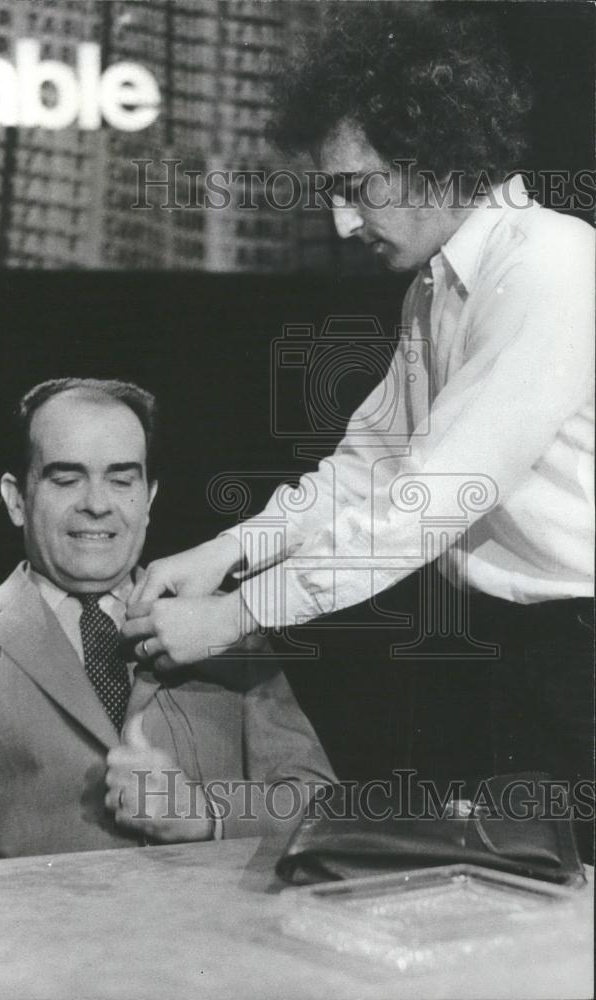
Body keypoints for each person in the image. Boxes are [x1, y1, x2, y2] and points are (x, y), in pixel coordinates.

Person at [123, 8, 594, 854]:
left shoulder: (550, 264)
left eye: (355, 186)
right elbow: (368, 466)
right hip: (519, 654)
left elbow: (427, 499)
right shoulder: (439, 283)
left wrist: (238, 615)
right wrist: (226, 551)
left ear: (431, 157)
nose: (342, 222)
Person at [0, 378, 334, 869]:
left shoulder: (229, 624)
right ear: (17, 499)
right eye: (67, 479)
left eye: (121, 479)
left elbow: (320, 806)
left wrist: (206, 812)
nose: (98, 503)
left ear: (148, 499)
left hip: (213, 942)